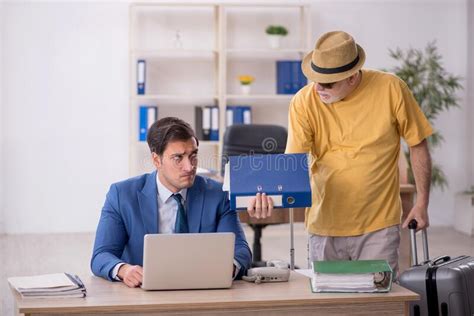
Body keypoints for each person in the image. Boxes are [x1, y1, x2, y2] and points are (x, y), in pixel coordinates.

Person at [247, 31, 432, 275]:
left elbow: (418, 144)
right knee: (329, 306)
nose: (318, 88)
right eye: (315, 79)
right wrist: (264, 193)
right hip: (324, 225)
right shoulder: (304, 102)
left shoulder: (390, 89)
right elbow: (293, 164)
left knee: (378, 306)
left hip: (378, 225)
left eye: (328, 83)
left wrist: (422, 203)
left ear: (353, 77)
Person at [91, 117, 252, 287]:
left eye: (193, 155)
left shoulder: (218, 195)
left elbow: (241, 250)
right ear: (156, 160)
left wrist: (230, 267)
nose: (189, 167)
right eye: (178, 158)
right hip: (142, 295)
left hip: (202, 291)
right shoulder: (122, 195)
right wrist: (124, 270)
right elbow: (101, 255)